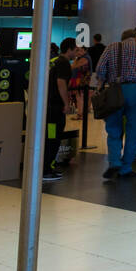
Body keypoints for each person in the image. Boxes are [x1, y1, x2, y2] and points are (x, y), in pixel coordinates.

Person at [94, 27, 136, 180]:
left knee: (113, 130)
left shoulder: (111, 47)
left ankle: (114, 162)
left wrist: (99, 89)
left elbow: (100, 71)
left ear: (122, 37)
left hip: (115, 91)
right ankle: (125, 168)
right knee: (134, 132)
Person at [44, 38, 80, 182]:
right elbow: (61, 83)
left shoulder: (56, 61)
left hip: (50, 106)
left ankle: (47, 168)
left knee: (51, 137)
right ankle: (46, 170)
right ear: (69, 49)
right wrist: (66, 103)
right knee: (52, 138)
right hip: (55, 109)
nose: (77, 53)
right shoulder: (64, 63)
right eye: (76, 50)